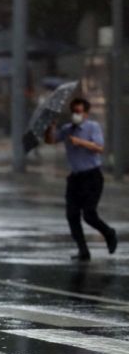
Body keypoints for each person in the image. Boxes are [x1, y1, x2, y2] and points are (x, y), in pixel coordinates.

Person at [45, 97, 118, 261]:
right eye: (73, 112)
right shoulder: (67, 129)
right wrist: (51, 126)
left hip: (92, 177)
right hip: (75, 178)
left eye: (78, 112)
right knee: (72, 215)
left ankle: (109, 233)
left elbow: (99, 147)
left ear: (85, 113)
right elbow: (50, 140)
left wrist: (80, 142)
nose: (76, 115)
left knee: (89, 214)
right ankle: (83, 250)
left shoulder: (93, 127)